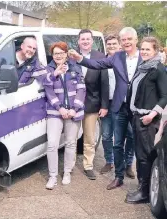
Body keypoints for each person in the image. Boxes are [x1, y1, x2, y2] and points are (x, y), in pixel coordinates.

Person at [68, 27, 141, 190]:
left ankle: (137, 175)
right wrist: (79, 58)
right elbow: (94, 64)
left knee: (135, 140)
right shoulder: (116, 58)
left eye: (129, 39)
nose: (126, 42)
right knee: (114, 140)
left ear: (136, 40)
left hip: (136, 107)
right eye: (124, 40)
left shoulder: (146, 57)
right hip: (115, 105)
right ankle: (117, 175)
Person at [125, 37, 167, 204]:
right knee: (140, 154)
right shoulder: (143, 67)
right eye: (142, 49)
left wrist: (151, 115)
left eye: (147, 49)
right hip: (137, 117)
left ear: (155, 51)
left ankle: (144, 193)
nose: (143, 52)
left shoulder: (158, 69)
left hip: (147, 119)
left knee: (145, 156)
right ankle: (143, 188)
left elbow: (165, 96)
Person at [43, 41, 86, 189]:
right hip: (55, 112)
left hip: (74, 111)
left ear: (66, 54)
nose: (58, 56)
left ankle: (67, 172)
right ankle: (53, 176)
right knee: (52, 144)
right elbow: (47, 88)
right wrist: (59, 107)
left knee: (70, 143)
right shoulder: (48, 69)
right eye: (55, 53)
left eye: (61, 53)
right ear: (52, 55)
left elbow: (81, 89)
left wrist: (74, 109)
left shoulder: (75, 67)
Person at [76, 29, 109, 180]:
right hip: (73, 105)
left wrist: (104, 105)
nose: (85, 41)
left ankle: (88, 165)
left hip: (92, 104)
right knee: (70, 138)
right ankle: (68, 166)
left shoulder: (100, 57)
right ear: (78, 41)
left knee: (89, 137)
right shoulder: (71, 56)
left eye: (88, 39)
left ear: (92, 40)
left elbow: (104, 83)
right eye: (83, 39)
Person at [100, 35, 135, 176]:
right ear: (106, 45)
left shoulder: (125, 60)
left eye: (114, 43)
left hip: (124, 104)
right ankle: (109, 161)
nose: (112, 46)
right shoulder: (102, 61)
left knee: (130, 135)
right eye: (109, 44)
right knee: (107, 135)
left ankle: (128, 164)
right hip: (106, 103)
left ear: (119, 45)